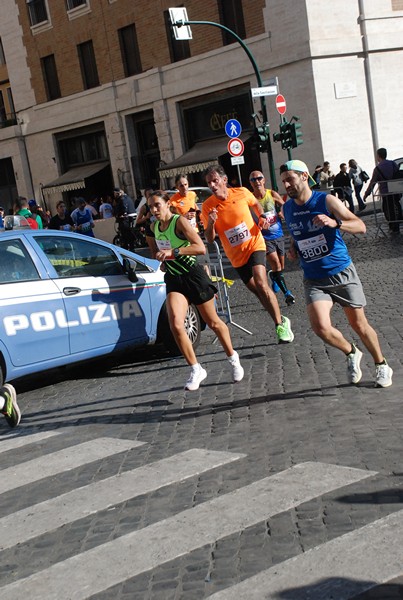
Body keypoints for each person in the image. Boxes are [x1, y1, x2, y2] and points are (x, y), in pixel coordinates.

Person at [280, 159, 393, 388]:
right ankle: (351, 352)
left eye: (290, 179)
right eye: (284, 182)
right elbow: (298, 233)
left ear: (303, 177)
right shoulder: (287, 208)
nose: (287, 185)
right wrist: (293, 248)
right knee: (320, 327)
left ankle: (381, 364)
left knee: (359, 325)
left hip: (341, 271)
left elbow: (360, 226)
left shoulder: (326, 200)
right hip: (314, 277)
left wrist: (335, 222)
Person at [147, 190, 244, 391]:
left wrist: (173, 252)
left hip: (193, 276)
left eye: (157, 205)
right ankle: (195, 368)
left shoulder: (179, 222)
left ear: (167, 204)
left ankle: (233, 358)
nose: (154, 210)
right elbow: (157, 249)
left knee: (214, 322)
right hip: (174, 278)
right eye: (150, 207)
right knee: (175, 323)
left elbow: (200, 248)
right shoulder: (154, 227)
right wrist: (162, 259)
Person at [201, 164, 294, 344]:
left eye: (215, 180)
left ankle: (278, 326)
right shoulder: (208, 206)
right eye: (209, 182)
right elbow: (210, 238)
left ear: (224, 180)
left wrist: (261, 218)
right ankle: (282, 319)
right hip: (236, 256)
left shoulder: (242, 192)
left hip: (255, 243)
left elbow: (257, 205)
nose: (212, 185)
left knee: (261, 282)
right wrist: (211, 223)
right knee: (258, 292)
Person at [249, 169, 295, 306]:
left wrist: (281, 212)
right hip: (263, 238)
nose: (257, 181)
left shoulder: (271, 194)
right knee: (275, 263)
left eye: (259, 178)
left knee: (280, 266)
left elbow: (284, 206)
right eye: (253, 179)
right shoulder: (250, 198)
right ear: (251, 183)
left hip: (278, 234)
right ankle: (287, 294)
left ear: (264, 180)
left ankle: (274, 277)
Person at [363, 148, 402, 233]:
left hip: (386, 192)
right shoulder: (392, 163)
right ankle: (397, 224)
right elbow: (398, 174)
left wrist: (367, 193)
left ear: (378, 156)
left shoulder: (377, 169)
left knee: (387, 208)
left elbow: (372, 183)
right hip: (395, 190)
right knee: (397, 206)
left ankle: (393, 226)